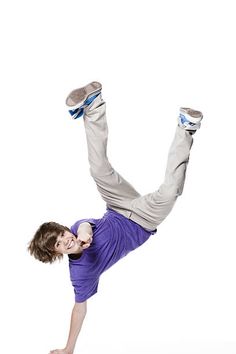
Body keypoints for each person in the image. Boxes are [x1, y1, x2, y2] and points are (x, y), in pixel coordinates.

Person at [28, 81, 203, 354]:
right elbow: (79, 309)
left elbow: (84, 226)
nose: (68, 239)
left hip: (117, 204)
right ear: (57, 253)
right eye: (61, 244)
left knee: (99, 169)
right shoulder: (81, 273)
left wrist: (85, 233)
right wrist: (68, 348)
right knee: (170, 192)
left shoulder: (78, 230)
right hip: (144, 220)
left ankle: (93, 104)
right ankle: (186, 128)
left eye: (63, 234)